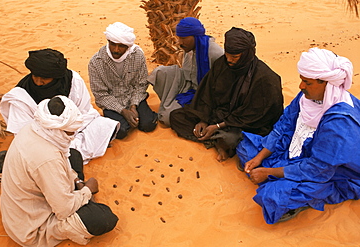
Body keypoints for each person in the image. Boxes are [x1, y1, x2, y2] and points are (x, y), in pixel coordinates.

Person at [236, 47, 360, 224]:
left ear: (327, 83)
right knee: (245, 148)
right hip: (298, 152)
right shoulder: (307, 96)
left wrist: (269, 172)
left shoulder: (340, 123)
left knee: (274, 197)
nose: (301, 86)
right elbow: (284, 125)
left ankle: (299, 196)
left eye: (307, 83)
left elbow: (317, 169)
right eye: (302, 81)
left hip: (335, 174)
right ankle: (271, 174)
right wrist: (259, 157)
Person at [0, 96, 119, 246]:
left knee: (74, 155)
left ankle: (79, 194)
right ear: (57, 130)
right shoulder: (47, 159)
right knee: (104, 219)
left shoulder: (34, 128)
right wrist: (88, 190)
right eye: (70, 132)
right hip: (32, 227)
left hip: (26, 203)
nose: (73, 136)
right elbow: (64, 209)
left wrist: (77, 181)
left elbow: (62, 159)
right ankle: (83, 201)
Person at [170, 27, 283, 162]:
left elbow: (255, 116)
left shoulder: (266, 79)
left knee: (231, 139)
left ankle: (220, 142)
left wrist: (218, 126)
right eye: (227, 54)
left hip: (243, 124)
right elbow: (207, 94)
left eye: (234, 57)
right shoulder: (222, 64)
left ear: (247, 54)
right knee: (177, 117)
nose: (229, 59)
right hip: (217, 115)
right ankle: (216, 141)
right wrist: (203, 119)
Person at [0, 48, 119, 164]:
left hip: (73, 130)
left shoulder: (73, 80)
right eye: (35, 76)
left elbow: (84, 112)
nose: (38, 82)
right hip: (43, 139)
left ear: (56, 77)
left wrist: (68, 131)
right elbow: (24, 133)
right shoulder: (20, 96)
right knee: (38, 153)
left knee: (105, 125)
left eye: (45, 78)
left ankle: (70, 153)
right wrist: (58, 136)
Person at [147, 17, 224, 126]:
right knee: (160, 72)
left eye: (183, 38)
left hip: (206, 96)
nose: (179, 42)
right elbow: (186, 73)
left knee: (167, 118)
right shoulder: (189, 49)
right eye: (179, 38)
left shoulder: (215, 53)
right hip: (188, 86)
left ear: (195, 37)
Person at [89, 22, 158, 139]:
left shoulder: (137, 56)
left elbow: (141, 84)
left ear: (128, 46)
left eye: (121, 46)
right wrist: (122, 111)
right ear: (108, 42)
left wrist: (133, 106)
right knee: (121, 131)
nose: (116, 49)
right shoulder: (96, 62)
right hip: (112, 102)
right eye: (113, 44)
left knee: (148, 125)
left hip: (133, 97)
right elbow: (101, 95)